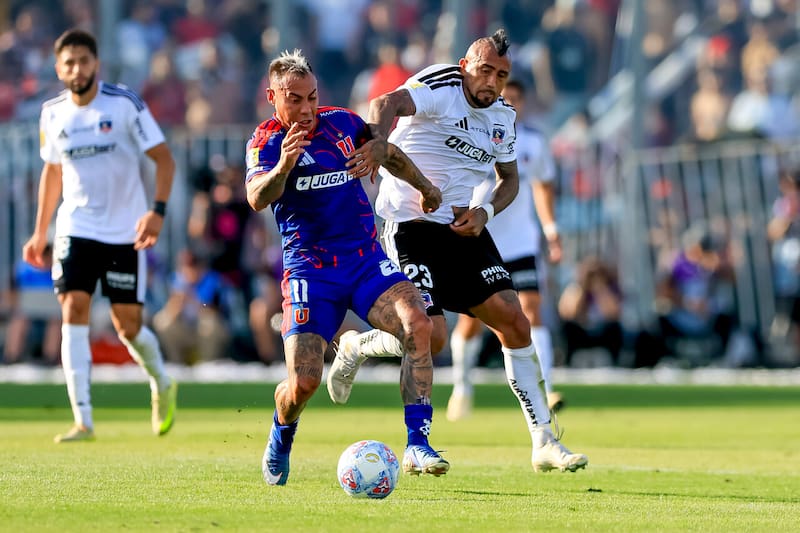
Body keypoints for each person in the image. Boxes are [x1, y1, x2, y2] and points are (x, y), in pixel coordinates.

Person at [327, 29, 588, 473]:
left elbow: (510, 179)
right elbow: (385, 103)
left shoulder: (502, 117)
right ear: (466, 66)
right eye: (485, 70)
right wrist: (377, 141)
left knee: (515, 320)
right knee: (432, 335)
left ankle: (544, 441)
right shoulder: (442, 85)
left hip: (460, 226)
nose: (492, 81)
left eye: (501, 75)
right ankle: (360, 355)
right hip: (409, 226)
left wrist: (486, 211)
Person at [245, 49, 447, 487]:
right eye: (294, 99)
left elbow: (385, 151)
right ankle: (281, 433)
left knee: (419, 323)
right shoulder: (266, 142)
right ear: (272, 97)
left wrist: (425, 187)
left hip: (364, 261)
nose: (306, 109)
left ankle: (418, 442)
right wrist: (284, 166)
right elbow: (257, 197)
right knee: (304, 383)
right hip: (310, 273)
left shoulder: (342, 123)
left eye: (312, 97)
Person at [22, 29, 178, 443]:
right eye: (69, 63)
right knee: (73, 307)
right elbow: (52, 171)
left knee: (128, 327)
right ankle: (83, 420)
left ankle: (161, 381)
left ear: (96, 64)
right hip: (76, 226)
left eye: (83, 61)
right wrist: (39, 232)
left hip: (126, 231)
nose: (77, 69)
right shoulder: (52, 113)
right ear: (59, 69)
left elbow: (164, 159)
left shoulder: (124, 104)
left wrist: (157, 212)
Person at [446, 79, 564, 422]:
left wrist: (551, 231)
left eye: (515, 100)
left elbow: (543, 186)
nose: (509, 106)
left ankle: (546, 388)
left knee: (531, 310)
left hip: (521, 243)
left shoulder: (533, 142)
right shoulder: (473, 135)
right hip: (479, 242)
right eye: (504, 99)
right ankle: (462, 386)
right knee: (471, 322)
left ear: (523, 104)